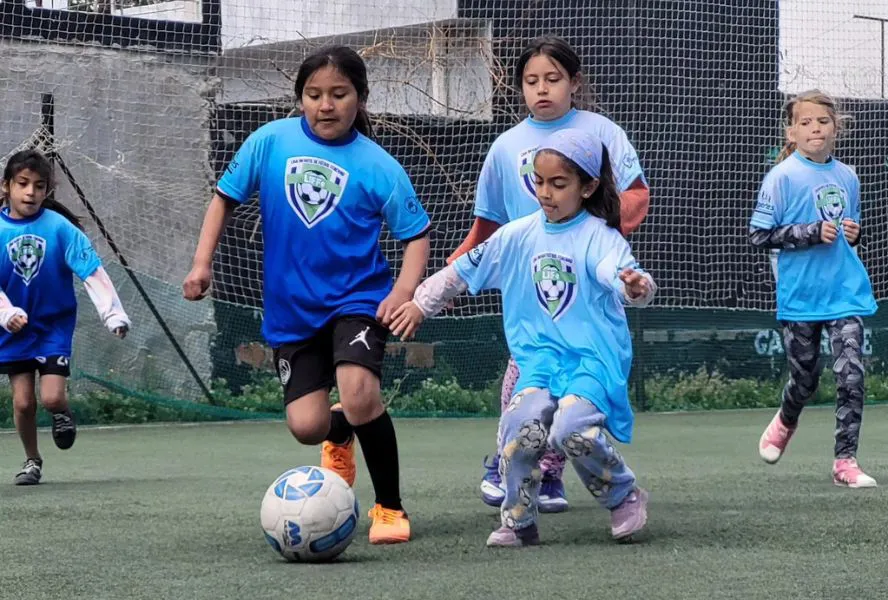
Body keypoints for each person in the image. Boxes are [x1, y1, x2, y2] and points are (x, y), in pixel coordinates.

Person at [183, 45, 431, 542]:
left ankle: (389, 507)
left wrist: (404, 291)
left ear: (360, 99)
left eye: (339, 94)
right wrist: (201, 262)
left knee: (361, 395)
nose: (325, 105)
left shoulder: (377, 165)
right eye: (314, 94)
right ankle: (339, 431)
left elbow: (416, 235)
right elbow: (223, 199)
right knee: (306, 426)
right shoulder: (267, 143)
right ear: (300, 98)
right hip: (291, 310)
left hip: (358, 300)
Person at [390, 128, 654, 545]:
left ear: (587, 187)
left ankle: (624, 495)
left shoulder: (602, 238)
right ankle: (518, 520)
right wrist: (421, 304)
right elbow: (461, 271)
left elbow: (619, 275)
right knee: (521, 425)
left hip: (592, 361)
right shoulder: (516, 235)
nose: (545, 192)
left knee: (571, 430)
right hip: (540, 361)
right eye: (539, 181)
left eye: (558, 183)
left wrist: (634, 288)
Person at [450, 34, 650, 512]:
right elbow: (487, 225)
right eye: (531, 80)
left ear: (574, 82)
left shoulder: (602, 131)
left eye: (553, 79)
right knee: (523, 385)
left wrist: (595, 243)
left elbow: (636, 195)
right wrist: (455, 274)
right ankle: (516, 467)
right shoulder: (504, 147)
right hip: (529, 286)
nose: (542, 89)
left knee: (565, 389)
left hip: (582, 287)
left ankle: (543, 475)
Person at [750, 89, 878, 488]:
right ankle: (787, 419)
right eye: (805, 122)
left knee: (851, 375)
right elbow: (759, 236)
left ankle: (846, 460)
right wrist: (808, 232)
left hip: (845, 292)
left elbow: (846, 229)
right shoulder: (781, 178)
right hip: (801, 297)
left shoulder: (848, 176)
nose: (815, 129)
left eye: (822, 121)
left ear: (836, 128)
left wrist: (853, 234)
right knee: (805, 379)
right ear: (792, 131)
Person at [0, 149, 130, 485]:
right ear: (6, 187)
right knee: (24, 403)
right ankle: (32, 461)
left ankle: (62, 414)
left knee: (52, 397)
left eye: (39, 186)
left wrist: (113, 315)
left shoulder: (60, 228)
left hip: (52, 326)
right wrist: (7, 313)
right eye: (23, 184)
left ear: (47, 190)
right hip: (13, 330)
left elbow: (91, 270)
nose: (31, 192)